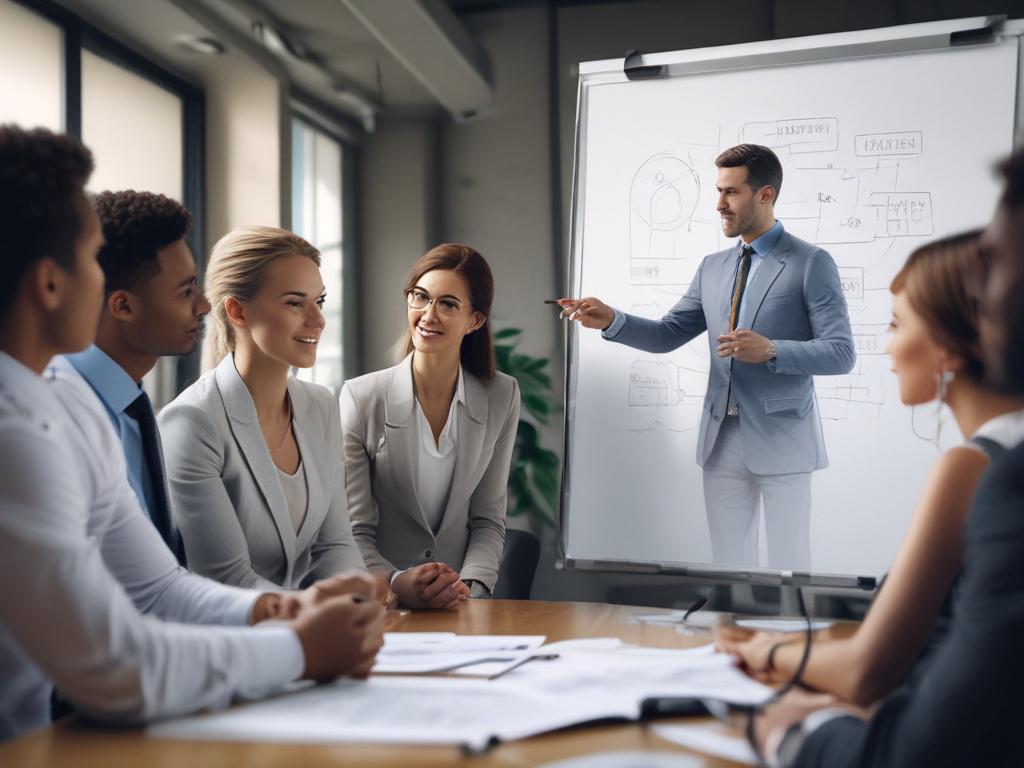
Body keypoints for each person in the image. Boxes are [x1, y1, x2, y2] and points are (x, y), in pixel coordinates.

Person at [0, 125, 384, 742]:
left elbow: (158, 588)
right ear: (50, 283)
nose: (103, 285)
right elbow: (112, 663)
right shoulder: (15, 432)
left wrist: (281, 610)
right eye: (90, 263)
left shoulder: (68, 406)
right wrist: (300, 650)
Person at [751, 150, 1024, 767]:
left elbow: (870, 668)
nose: (889, 348)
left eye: (898, 323)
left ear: (954, 344)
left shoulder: (975, 466)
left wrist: (760, 650)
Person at [559, 144, 855, 571]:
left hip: (784, 441)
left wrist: (771, 349)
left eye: (731, 193)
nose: (719, 204)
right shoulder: (712, 267)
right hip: (721, 443)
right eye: (718, 191)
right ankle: (734, 638)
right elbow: (667, 334)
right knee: (729, 568)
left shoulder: (811, 263)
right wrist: (612, 320)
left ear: (765, 195)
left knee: (791, 567)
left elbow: (841, 353)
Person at [159, 226, 366, 590]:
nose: (318, 320)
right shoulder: (193, 421)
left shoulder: (321, 406)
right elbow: (227, 579)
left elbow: (335, 545)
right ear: (238, 311)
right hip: (232, 638)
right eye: (294, 303)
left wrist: (360, 597)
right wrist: (321, 614)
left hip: (313, 631)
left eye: (318, 301)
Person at [340, 244, 521, 607]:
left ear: (475, 321)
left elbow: (487, 519)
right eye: (420, 297)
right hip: (383, 604)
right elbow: (352, 530)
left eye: (448, 304)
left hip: (461, 605)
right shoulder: (362, 398)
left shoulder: (502, 394)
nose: (428, 315)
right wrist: (396, 583)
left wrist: (471, 589)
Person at [63, 190, 210, 558]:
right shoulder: (65, 414)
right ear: (123, 306)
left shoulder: (133, 410)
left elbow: (159, 582)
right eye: (186, 291)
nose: (204, 305)